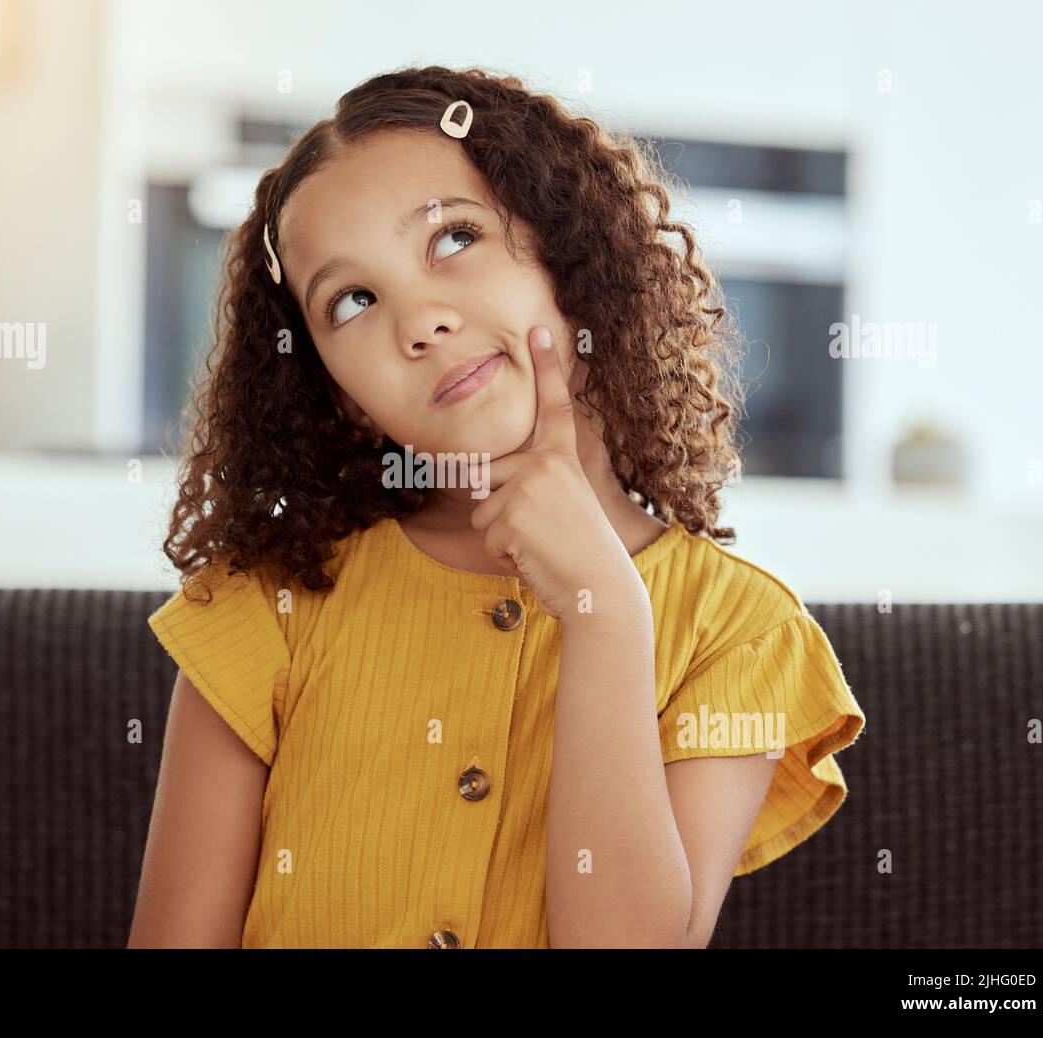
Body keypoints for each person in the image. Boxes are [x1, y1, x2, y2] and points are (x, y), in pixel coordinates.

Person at [128, 65, 866, 949]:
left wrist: (606, 614)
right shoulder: (265, 605)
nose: (419, 320)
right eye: (352, 301)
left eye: (452, 239)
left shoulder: (738, 636)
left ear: (565, 245)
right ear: (337, 393)